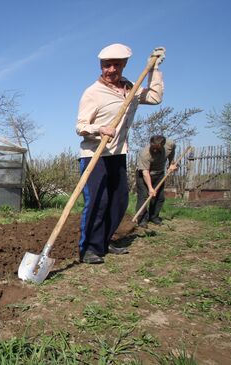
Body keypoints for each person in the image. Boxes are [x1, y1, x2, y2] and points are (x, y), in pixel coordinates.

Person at [75, 43, 165, 264]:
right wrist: (99, 129)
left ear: (124, 65)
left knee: (119, 201)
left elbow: (154, 97)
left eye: (116, 65)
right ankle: (89, 249)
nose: (111, 70)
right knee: (98, 201)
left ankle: (104, 242)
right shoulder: (93, 93)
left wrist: (153, 69)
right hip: (94, 154)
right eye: (107, 65)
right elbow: (80, 126)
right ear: (101, 66)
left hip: (118, 153)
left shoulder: (131, 89)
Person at [135, 135, 177, 228]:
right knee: (144, 197)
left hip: (159, 174)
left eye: (157, 148)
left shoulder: (170, 144)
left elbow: (172, 152)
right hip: (143, 175)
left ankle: (153, 217)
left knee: (159, 197)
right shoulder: (145, 153)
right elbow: (145, 172)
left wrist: (171, 164)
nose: (154, 150)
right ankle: (142, 220)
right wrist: (150, 188)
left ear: (163, 145)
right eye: (153, 147)